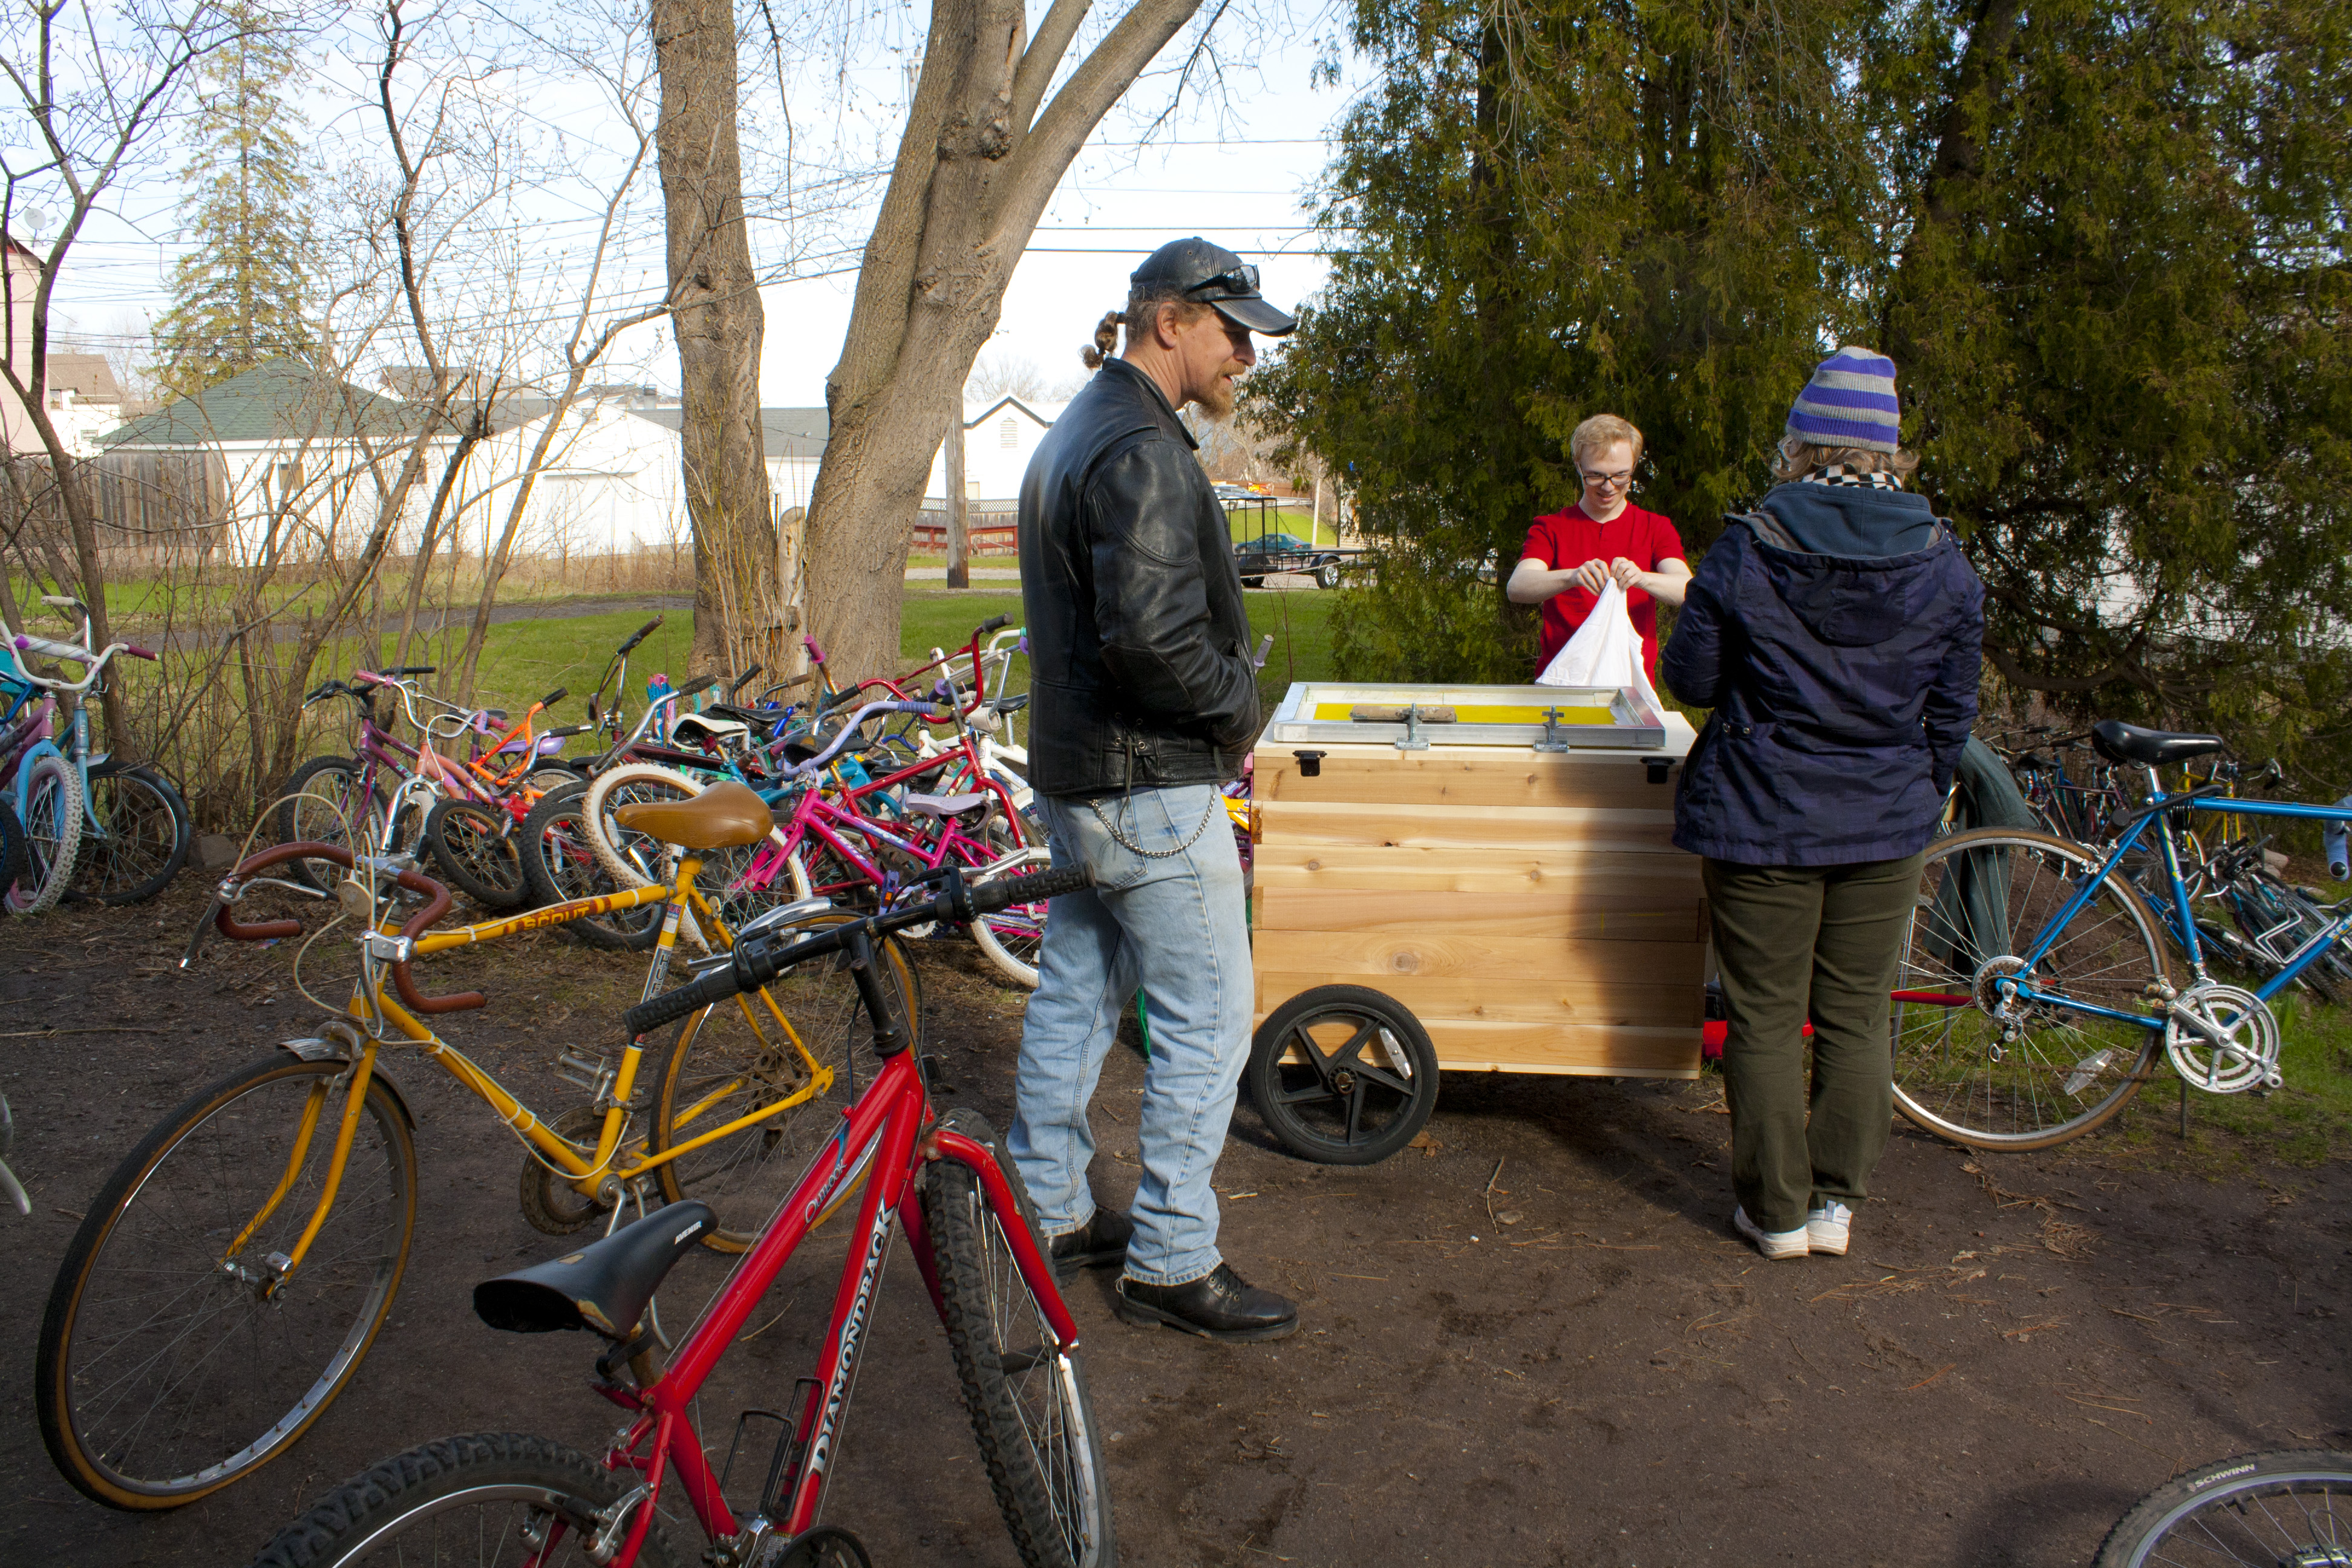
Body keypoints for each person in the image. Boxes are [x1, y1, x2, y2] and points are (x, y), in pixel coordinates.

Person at [1008, 237, 1298, 1342]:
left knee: (1077, 993)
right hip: (1146, 787)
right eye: (1233, 334)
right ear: (1169, 322)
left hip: (1083, 778)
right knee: (1208, 1019)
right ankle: (1172, 1259)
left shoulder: (1082, 427)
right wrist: (1239, 713)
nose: (1245, 358)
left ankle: (1049, 1209)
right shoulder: (1139, 448)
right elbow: (1155, 644)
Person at [1660, 347, 1984, 1262]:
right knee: (1856, 1011)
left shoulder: (1749, 545)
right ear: (1888, 452)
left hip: (1761, 812)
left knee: (1765, 1015)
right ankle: (1835, 1205)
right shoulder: (1944, 561)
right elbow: (1953, 711)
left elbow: (1692, 679)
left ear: (1802, 443)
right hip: (1884, 820)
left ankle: (1777, 1214)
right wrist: (1915, 790)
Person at [1508, 414, 1691, 682]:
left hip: (1629, 687)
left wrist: (1642, 578)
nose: (1608, 487)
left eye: (1620, 476)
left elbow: (1687, 589)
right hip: (1562, 685)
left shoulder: (1655, 527)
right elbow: (1518, 586)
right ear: (1578, 465)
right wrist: (1572, 577)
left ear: (1634, 466)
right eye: (1595, 476)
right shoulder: (1551, 527)